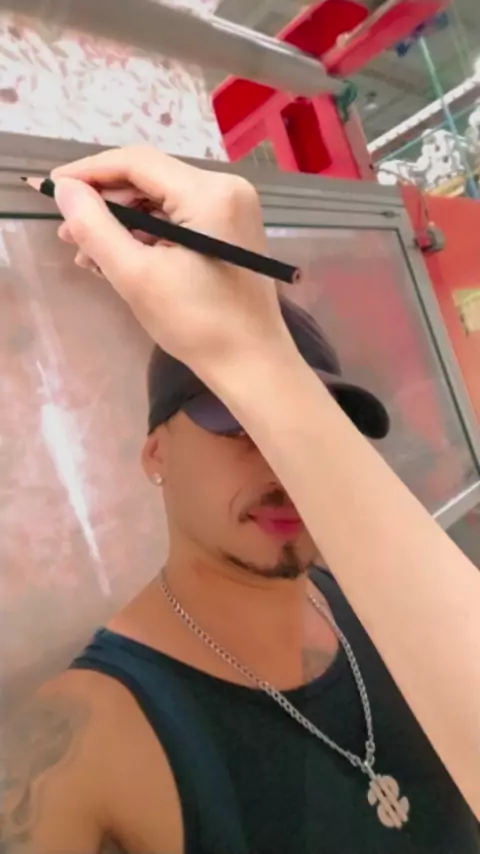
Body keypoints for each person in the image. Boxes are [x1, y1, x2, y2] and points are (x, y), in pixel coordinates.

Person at [1, 147, 479, 854]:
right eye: (235, 426)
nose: (282, 467)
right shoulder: (87, 737)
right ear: (156, 453)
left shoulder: (385, 609)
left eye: (304, 433)